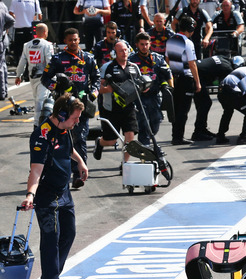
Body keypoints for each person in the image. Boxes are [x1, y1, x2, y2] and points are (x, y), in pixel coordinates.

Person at [22, 94, 88, 279]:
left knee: (69, 233)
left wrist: (80, 162)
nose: (77, 122)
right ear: (61, 115)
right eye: (74, 118)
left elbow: (68, 149)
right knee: (51, 240)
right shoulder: (42, 135)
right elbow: (36, 171)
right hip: (46, 196)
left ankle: (51, 278)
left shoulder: (64, 130)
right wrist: (30, 195)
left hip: (64, 193)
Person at [42, 28, 101, 187]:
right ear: (65, 41)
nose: (73, 42)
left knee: (80, 138)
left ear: (79, 39)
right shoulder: (58, 59)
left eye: (75, 39)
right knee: (59, 139)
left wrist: (93, 94)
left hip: (81, 105)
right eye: (70, 40)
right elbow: (45, 78)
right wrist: (57, 87)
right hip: (63, 104)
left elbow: (97, 79)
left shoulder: (88, 58)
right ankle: (55, 171)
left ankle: (78, 175)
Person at [95, 40, 141, 170]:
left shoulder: (133, 67)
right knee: (111, 141)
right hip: (111, 108)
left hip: (129, 107)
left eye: (125, 50)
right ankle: (100, 142)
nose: (124, 53)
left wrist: (143, 87)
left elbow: (140, 83)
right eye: (120, 51)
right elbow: (96, 86)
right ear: (115, 53)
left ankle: (124, 164)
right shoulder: (107, 67)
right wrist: (106, 89)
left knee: (130, 138)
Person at [130, 31, 173, 147]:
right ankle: (145, 148)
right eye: (142, 44)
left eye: (146, 44)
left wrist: (169, 89)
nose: (144, 47)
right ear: (137, 45)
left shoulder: (158, 58)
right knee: (143, 123)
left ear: (150, 44)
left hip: (155, 96)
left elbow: (168, 74)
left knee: (156, 121)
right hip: (139, 97)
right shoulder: (131, 60)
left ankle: (147, 139)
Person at [166, 15, 203, 145]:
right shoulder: (188, 42)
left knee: (176, 108)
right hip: (186, 78)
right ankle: (178, 137)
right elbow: (192, 64)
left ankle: (175, 135)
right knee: (183, 110)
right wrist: (197, 82)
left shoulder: (170, 40)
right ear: (190, 29)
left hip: (174, 78)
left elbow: (167, 60)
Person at [15, 23, 54, 125]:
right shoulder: (47, 45)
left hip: (32, 78)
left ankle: (39, 122)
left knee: (37, 99)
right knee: (40, 101)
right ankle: (38, 124)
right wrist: (52, 77)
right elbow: (50, 62)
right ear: (46, 33)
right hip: (44, 78)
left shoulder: (27, 45)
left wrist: (18, 75)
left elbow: (22, 62)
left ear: (36, 32)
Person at [215, 64, 246, 144]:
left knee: (228, 112)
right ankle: (243, 137)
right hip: (231, 92)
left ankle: (220, 136)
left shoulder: (241, 69)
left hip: (221, 91)